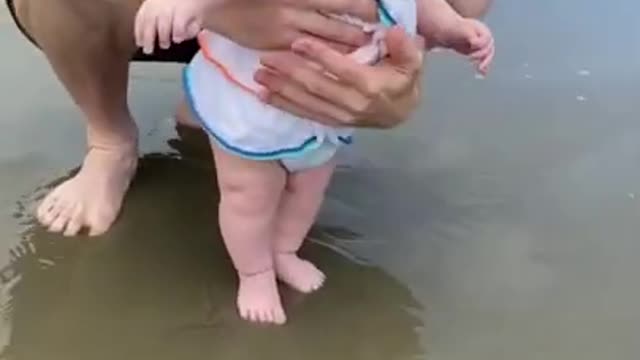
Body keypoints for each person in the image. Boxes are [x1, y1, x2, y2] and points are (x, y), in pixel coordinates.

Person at [131, 0, 494, 324]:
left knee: (309, 186)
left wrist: (452, 29)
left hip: (325, 107)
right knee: (249, 196)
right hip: (257, 96)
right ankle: (254, 274)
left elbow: (422, 6)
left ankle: (285, 249)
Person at [6, 0, 492, 238]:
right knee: (245, 199)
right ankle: (110, 137)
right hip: (159, 11)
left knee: (290, 183)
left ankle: (228, 109)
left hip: (308, 38)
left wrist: (415, 61)